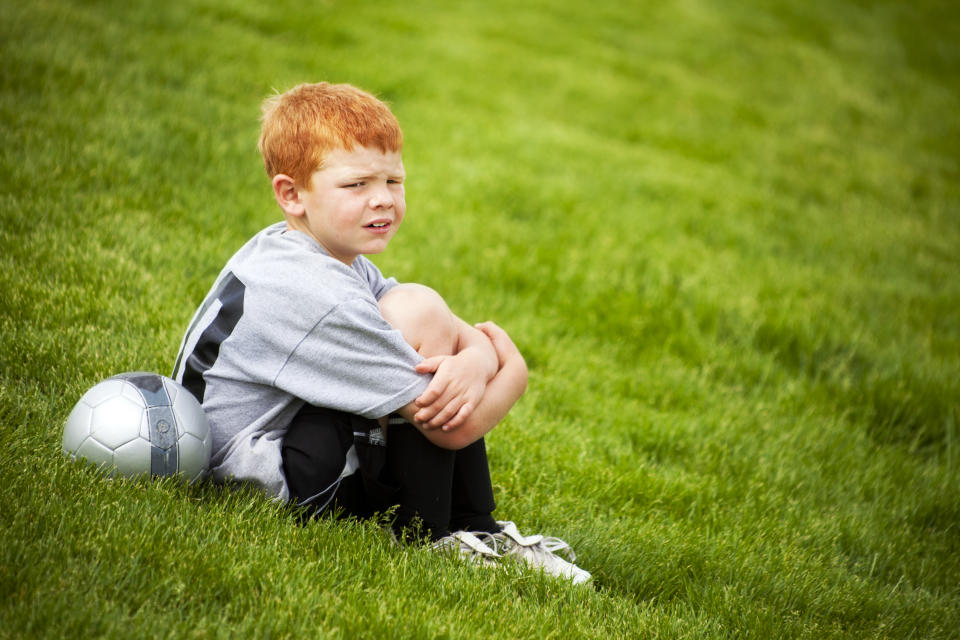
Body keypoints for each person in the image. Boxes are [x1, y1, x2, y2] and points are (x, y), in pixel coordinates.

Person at [172, 82, 590, 584]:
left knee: (419, 308)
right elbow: (450, 425)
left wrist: (475, 360)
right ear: (291, 194)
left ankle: (478, 527)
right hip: (264, 478)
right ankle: (430, 535)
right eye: (357, 185)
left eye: (394, 181)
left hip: (289, 441)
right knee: (418, 316)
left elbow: (451, 330)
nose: (383, 200)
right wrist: (511, 372)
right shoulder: (315, 294)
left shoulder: (312, 249)